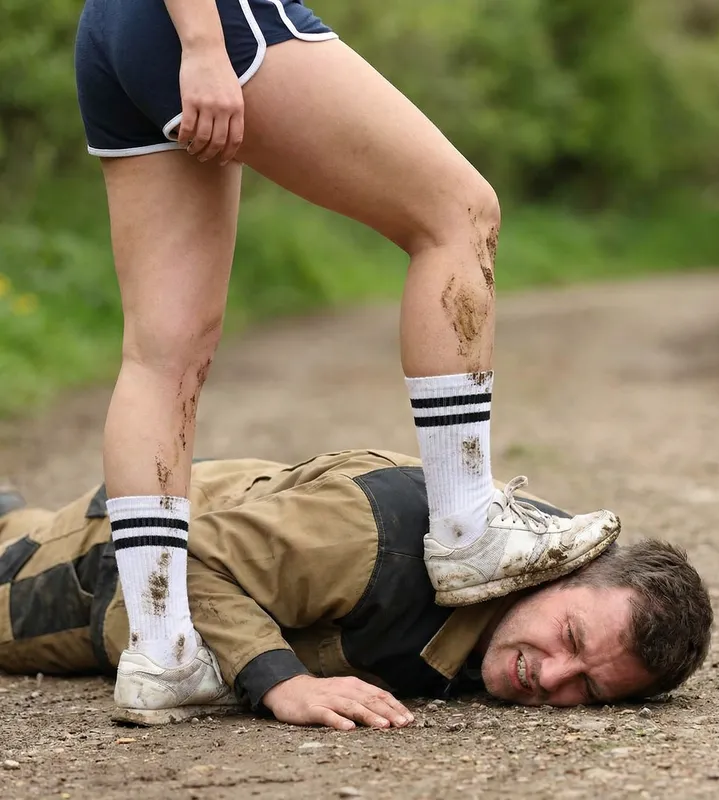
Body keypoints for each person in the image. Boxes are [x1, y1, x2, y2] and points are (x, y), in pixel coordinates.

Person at [72, 0, 621, 716]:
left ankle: (164, 652)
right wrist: (203, 42)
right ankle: (468, 527)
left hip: (117, 28)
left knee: (160, 356)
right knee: (459, 213)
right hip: (206, 21)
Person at [0, 450, 712, 728]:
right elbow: (178, 558)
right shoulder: (384, 540)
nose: (551, 677)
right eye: (571, 638)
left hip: (252, 524)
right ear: (566, 571)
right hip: (115, 561)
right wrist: (282, 683)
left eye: (588, 688)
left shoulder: (518, 605)